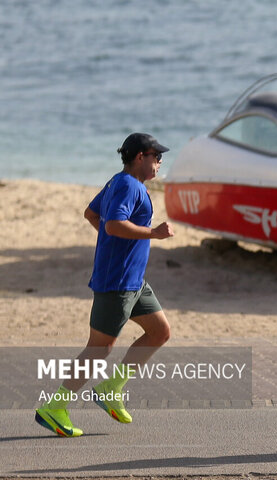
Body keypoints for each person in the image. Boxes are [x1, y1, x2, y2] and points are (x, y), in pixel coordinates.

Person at [35, 133, 174, 437]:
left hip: (134, 281)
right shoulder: (127, 185)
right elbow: (112, 224)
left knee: (160, 331)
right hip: (117, 282)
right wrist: (153, 233)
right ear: (140, 156)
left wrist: (115, 243)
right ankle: (54, 407)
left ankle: (112, 388)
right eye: (156, 156)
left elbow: (91, 214)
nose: (160, 161)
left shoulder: (119, 182)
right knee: (99, 348)